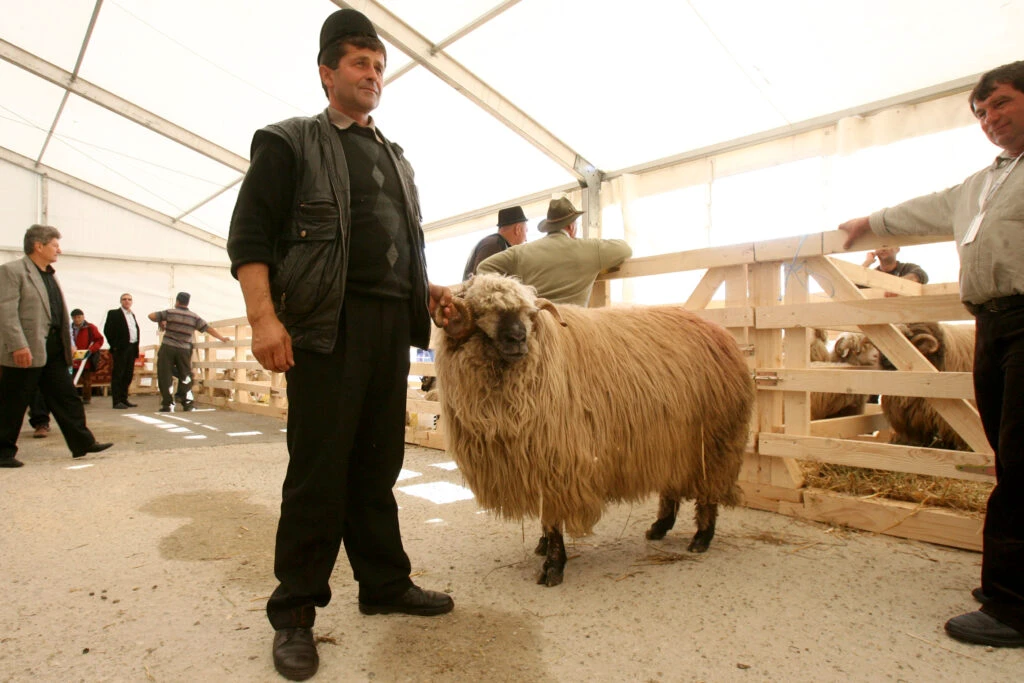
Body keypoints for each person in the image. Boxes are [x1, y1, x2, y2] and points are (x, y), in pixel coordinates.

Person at [227, 9, 455, 680]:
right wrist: (266, 320)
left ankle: (383, 583)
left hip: (390, 325)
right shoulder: (289, 141)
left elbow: (388, 246)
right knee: (318, 470)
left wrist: (427, 288)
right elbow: (250, 238)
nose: (373, 74)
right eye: (359, 62)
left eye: (379, 64)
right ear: (327, 72)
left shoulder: (395, 156)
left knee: (378, 463)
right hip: (326, 326)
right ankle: (295, 611)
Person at [838, 60, 1024, 648]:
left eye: (1000, 104)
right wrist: (872, 221)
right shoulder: (982, 183)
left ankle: (1014, 606)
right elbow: (930, 207)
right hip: (990, 324)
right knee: (1005, 448)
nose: (989, 119)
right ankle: (1014, 578)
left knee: (1021, 459)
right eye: (981, 112)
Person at [0, 225, 113, 468]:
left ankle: (82, 443)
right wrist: (18, 345)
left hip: (52, 349)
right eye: (54, 244)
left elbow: (57, 314)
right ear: (38, 246)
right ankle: (2, 453)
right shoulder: (12, 271)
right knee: (13, 402)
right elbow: (6, 313)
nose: (59, 250)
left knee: (66, 397)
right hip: (26, 350)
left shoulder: (49, 274)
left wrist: (68, 344)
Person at [477, 196, 633, 306]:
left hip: (537, 328)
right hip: (572, 329)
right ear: (572, 226)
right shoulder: (590, 249)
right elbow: (625, 249)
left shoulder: (521, 252)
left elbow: (483, 268)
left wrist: (516, 293)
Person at [148, 292, 229, 413]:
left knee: (165, 376)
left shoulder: (170, 312)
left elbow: (151, 316)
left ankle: (168, 404)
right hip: (184, 349)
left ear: (177, 301)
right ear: (187, 302)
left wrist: (162, 320)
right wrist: (222, 338)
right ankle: (187, 403)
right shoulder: (194, 317)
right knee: (186, 375)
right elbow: (207, 328)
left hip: (168, 347)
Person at [461, 205, 529, 280]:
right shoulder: (494, 244)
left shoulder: (494, 242)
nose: (526, 239)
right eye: (526, 230)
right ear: (518, 229)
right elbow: (483, 280)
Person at [103, 293, 140, 409]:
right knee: (118, 374)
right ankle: (117, 400)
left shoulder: (132, 315)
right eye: (124, 299)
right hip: (120, 349)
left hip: (132, 347)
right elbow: (107, 330)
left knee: (128, 375)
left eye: (129, 299)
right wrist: (114, 346)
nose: (127, 301)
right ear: (120, 301)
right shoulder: (114, 313)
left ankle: (124, 399)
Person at [857, 246, 929, 296]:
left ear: (897, 249)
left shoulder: (907, 268)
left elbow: (922, 275)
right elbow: (853, 286)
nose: (883, 248)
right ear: (875, 250)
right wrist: (867, 262)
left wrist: (896, 285)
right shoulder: (872, 275)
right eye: (879, 245)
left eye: (888, 244)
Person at [70, 308, 104, 404]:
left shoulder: (90, 327)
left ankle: (86, 398)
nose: (77, 319)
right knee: (70, 379)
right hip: (72, 357)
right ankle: (71, 397)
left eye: (79, 317)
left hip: (86, 357)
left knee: (87, 379)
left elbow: (99, 340)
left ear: (83, 317)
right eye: (75, 317)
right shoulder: (69, 328)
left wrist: (91, 350)